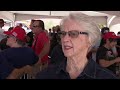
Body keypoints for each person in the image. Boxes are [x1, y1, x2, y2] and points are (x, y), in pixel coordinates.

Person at [36, 13, 117, 79]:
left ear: (90, 40)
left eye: (73, 34)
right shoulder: (45, 75)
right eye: (63, 34)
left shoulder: (106, 77)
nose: (65, 39)